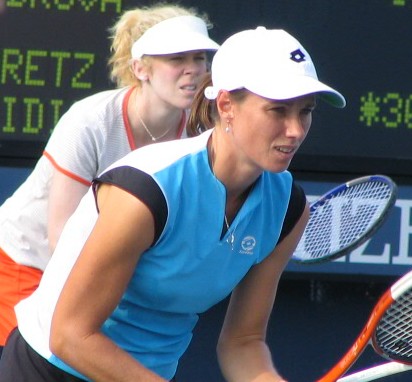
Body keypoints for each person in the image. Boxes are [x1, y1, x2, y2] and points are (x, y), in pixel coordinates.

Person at [0, 27, 345, 381]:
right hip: (47, 370)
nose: (295, 130)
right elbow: (71, 336)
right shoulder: (146, 190)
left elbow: (244, 341)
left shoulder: (288, 209)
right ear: (226, 106)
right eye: (277, 111)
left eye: (305, 111)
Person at [0, 3, 219, 356]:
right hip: (26, 264)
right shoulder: (88, 122)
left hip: (104, 274)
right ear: (140, 68)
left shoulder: (201, 134)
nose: (194, 70)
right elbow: (61, 240)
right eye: (177, 59)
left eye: (200, 58)